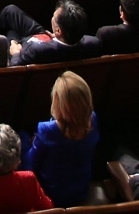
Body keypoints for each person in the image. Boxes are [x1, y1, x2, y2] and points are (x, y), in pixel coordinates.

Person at [24, 72, 100, 208]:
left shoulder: (47, 130)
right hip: (81, 190)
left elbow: (30, 165)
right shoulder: (93, 119)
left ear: (58, 102)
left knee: (21, 138)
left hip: (52, 194)